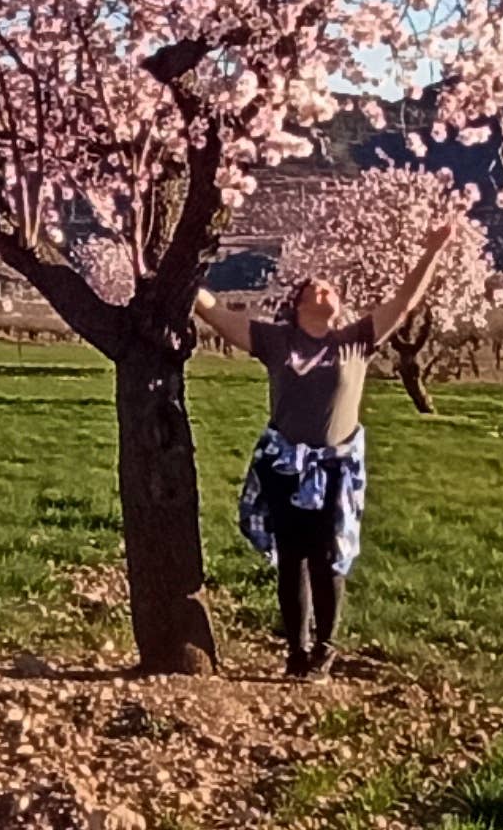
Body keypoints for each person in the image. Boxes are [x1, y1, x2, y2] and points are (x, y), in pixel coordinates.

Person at [191, 223, 455, 679]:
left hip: (337, 467)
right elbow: (216, 313)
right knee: (292, 559)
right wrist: (180, 271)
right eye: (315, 288)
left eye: (330, 287)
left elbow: (404, 301)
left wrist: (432, 250)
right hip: (285, 463)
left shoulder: (355, 340)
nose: (325, 290)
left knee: (329, 556)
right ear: (296, 307)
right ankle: (297, 651)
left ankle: (325, 650)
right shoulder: (278, 342)